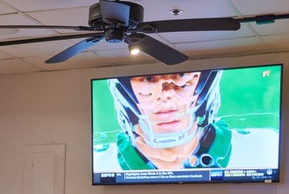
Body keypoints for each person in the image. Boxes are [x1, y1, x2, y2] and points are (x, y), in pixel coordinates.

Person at [94, 69, 278, 173]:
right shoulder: (100, 162)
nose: (166, 96)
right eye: (149, 78)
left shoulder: (264, 147)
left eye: (181, 79)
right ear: (125, 91)